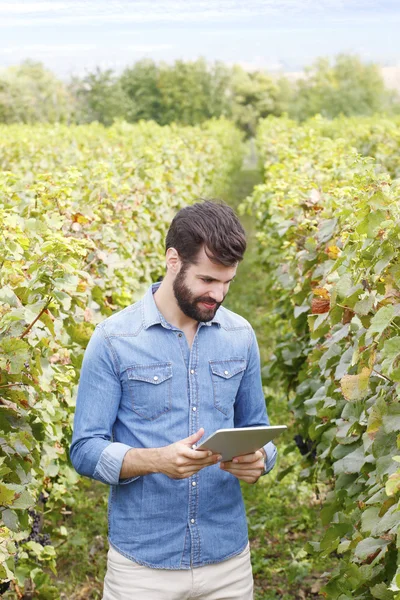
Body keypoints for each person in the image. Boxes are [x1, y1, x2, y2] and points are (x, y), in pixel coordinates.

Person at [69, 199, 278, 600]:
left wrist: (261, 458)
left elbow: (257, 428)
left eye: (227, 282)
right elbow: (85, 449)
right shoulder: (114, 339)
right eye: (207, 280)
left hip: (228, 561)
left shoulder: (241, 335)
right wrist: (156, 461)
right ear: (173, 260)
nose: (218, 294)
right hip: (143, 567)